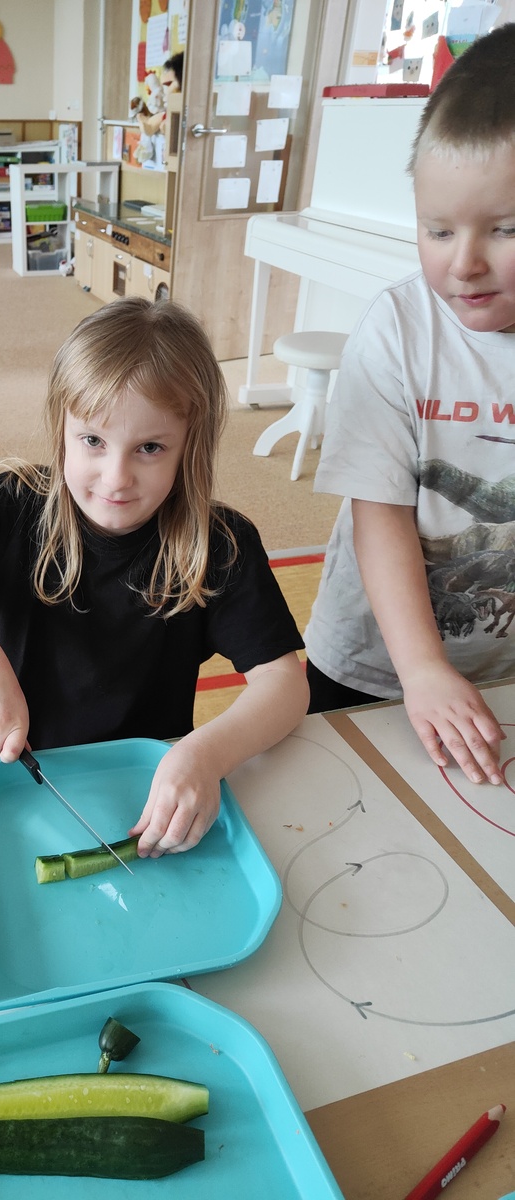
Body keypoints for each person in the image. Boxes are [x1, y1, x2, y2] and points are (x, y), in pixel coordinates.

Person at [0, 297, 308, 857]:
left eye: (150, 448)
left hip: (147, 803)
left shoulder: (220, 544)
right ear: (61, 428)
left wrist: (205, 754)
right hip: (20, 796)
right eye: (93, 441)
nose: (116, 478)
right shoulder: (7, 506)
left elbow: (285, 685)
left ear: (190, 447)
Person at [304, 23, 515, 786]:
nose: (465, 263)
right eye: (437, 230)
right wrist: (422, 667)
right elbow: (381, 512)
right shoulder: (397, 328)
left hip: (497, 665)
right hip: (373, 658)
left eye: (506, 229)